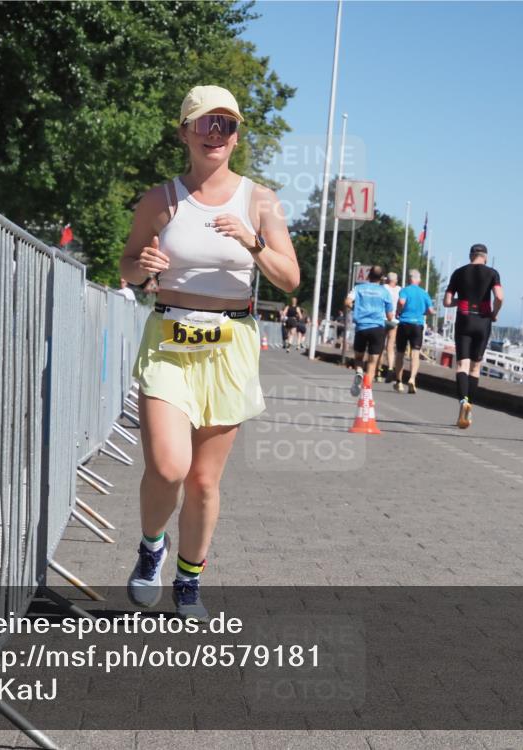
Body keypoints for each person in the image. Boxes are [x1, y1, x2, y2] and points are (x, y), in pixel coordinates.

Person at [120, 85, 300, 619]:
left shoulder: (260, 201)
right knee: (168, 466)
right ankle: (152, 546)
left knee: (202, 481)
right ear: (185, 133)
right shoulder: (161, 200)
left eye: (227, 124)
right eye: (205, 123)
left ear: (237, 136)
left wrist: (253, 242)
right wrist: (142, 267)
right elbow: (127, 265)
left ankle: (189, 581)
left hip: (229, 344)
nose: (216, 134)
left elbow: (290, 279)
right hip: (169, 339)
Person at [443, 243, 503, 428]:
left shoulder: (458, 273)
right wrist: (494, 313)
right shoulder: (492, 273)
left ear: (471, 256)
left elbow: (447, 301)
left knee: (462, 365)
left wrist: (460, 301)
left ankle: (463, 401)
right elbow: (499, 297)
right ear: (485, 257)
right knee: (475, 368)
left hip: (464, 319)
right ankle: (469, 409)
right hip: (483, 321)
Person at [345, 264, 395, 397]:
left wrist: (355, 308)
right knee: (372, 362)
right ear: (382, 278)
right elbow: (390, 316)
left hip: (361, 327)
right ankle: (366, 390)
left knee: (359, 358)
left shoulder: (358, 288)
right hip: (377, 328)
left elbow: (347, 302)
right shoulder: (385, 292)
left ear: (368, 275)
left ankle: (359, 372)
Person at [393, 269, 436, 394]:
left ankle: (399, 382)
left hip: (404, 323)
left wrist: (399, 311)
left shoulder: (405, 290)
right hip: (417, 325)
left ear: (409, 279)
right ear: (419, 280)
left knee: (400, 353)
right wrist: (423, 313)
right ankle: (412, 379)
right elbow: (431, 311)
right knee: (415, 354)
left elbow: (401, 302)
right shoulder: (424, 293)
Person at [377, 271, 402, 382]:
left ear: (388, 279)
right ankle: (390, 368)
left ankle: (379, 371)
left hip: (382, 319)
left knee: (380, 346)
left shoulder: (383, 288)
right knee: (390, 347)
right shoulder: (400, 290)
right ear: (396, 280)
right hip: (394, 320)